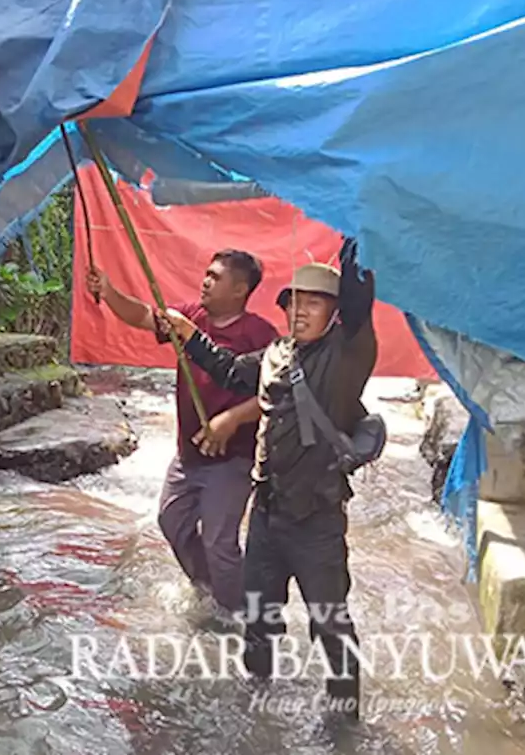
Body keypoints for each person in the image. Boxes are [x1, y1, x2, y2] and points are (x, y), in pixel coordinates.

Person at [160, 238, 383, 721]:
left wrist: (355, 229)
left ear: (336, 312)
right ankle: (254, 706)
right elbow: (228, 369)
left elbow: (361, 297)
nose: (301, 311)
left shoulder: (347, 356)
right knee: (258, 621)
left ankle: (344, 720)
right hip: (266, 516)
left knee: (329, 624)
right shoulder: (277, 355)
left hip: (317, 520)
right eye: (295, 301)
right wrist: (191, 338)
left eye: (315, 302)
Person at [87, 251, 278, 616]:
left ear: (240, 289)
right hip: (189, 454)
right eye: (206, 273)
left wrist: (233, 418)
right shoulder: (190, 317)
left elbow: (275, 393)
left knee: (219, 540)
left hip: (233, 457)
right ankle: (209, 590)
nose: (205, 280)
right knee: (171, 521)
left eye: (215, 276)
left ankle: (238, 616)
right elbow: (143, 315)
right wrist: (110, 292)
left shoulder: (260, 334)